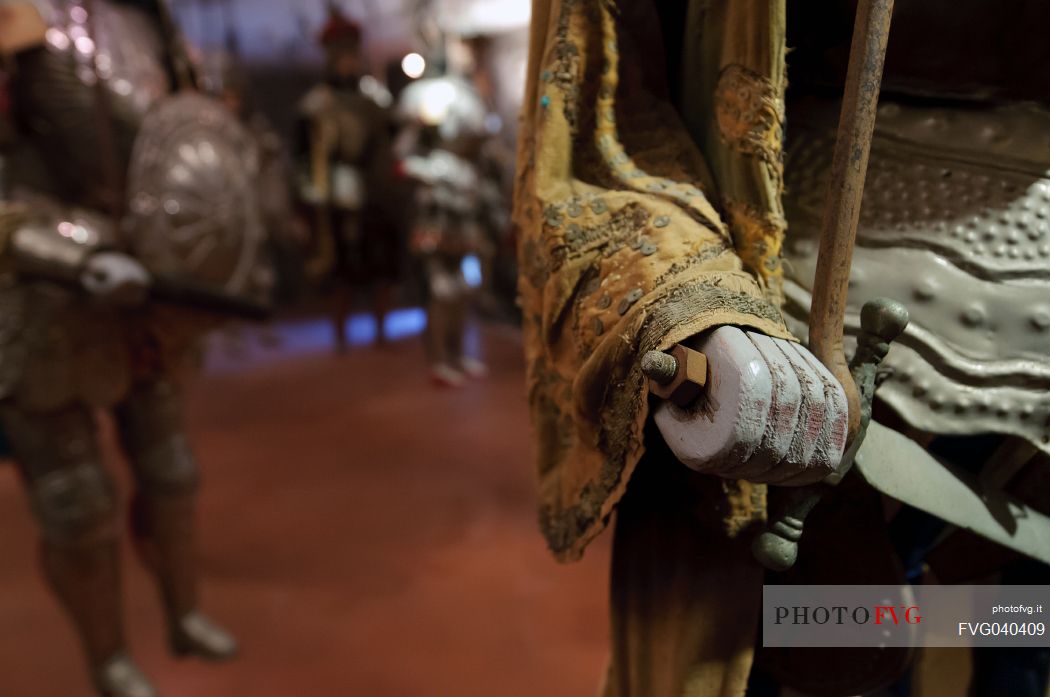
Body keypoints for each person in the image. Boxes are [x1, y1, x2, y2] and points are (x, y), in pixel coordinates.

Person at [515, 1, 1048, 695]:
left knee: (1019, 631)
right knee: (841, 640)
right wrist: (691, 299)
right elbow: (598, 104)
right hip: (798, 350)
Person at [0, 1, 270, 695]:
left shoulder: (149, 18)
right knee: (78, 500)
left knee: (172, 470)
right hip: (41, 296)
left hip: (148, 291)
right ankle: (108, 659)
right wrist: (65, 250)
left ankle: (183, 614)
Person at [295, 4, 401, 352]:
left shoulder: (374, 98)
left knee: (380, 263)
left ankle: (381, 331)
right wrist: (311, 197)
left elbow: (389, 142)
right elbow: (304, 156)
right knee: (338, 267)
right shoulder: (316, 103)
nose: (347, 59)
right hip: (335, 191)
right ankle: (340, 335)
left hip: (375, 192)